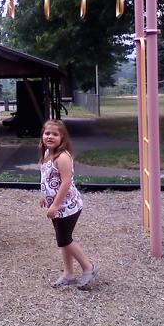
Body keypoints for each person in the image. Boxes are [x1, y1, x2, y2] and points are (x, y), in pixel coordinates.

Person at [38, 119, 99, 290]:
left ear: (62, 138)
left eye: (55, 134)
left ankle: (88, 267)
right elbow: (47, 178)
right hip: (57, 207)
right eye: (47, 133)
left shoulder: (62, 157)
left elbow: (65, 183)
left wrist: (55, 205)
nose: (50, 136)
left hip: (68, 206)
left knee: (65, 240)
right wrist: (44, 196)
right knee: (62, 240)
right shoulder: (46, 154)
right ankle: (68, 273)